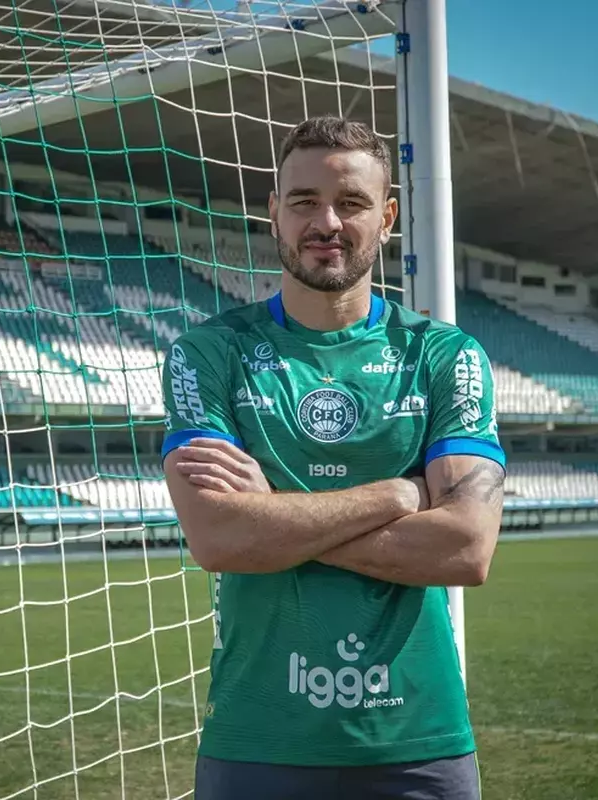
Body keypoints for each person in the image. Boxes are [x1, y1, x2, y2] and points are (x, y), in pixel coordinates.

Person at [159, 116, 505, 800]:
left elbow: (466, 548)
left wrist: (276, 517)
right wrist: (401, 496)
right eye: (303, 202)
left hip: (417, 742)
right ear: (274, 215)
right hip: (258, 743)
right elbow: (220, 536)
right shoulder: (208, 354)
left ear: (388, 217)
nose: (327, 222)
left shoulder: (445, 356)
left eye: (350, 203)